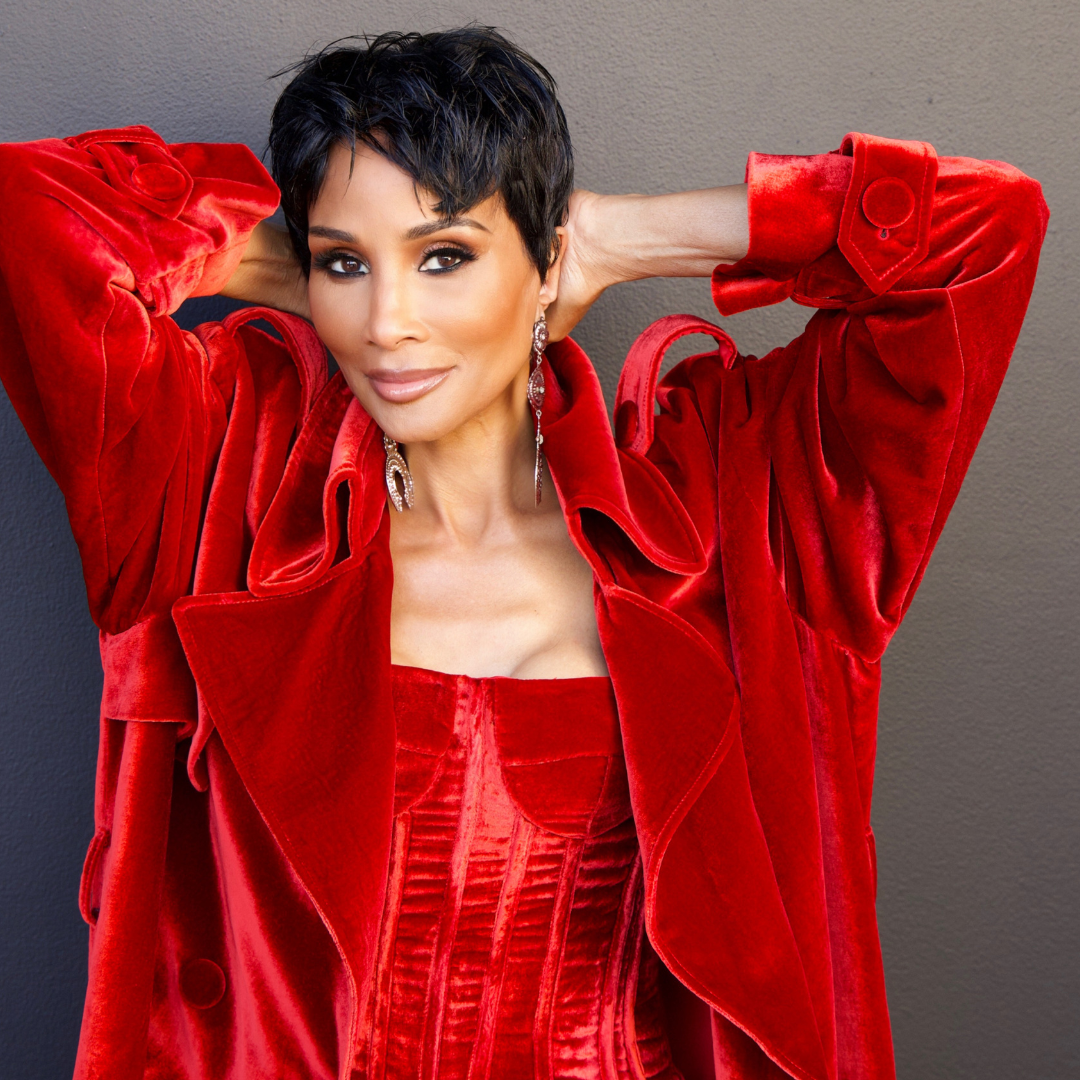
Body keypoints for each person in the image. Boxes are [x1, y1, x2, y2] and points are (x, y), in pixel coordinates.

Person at [0, 25, 1047, 1080]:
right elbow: (26, 212)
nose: (388, 324)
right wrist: (256, 255)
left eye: (446, 256)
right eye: (345, 265)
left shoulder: (738, 512)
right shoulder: (217, 483)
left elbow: (984, 232)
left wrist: (624, 236)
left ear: (541, 261)